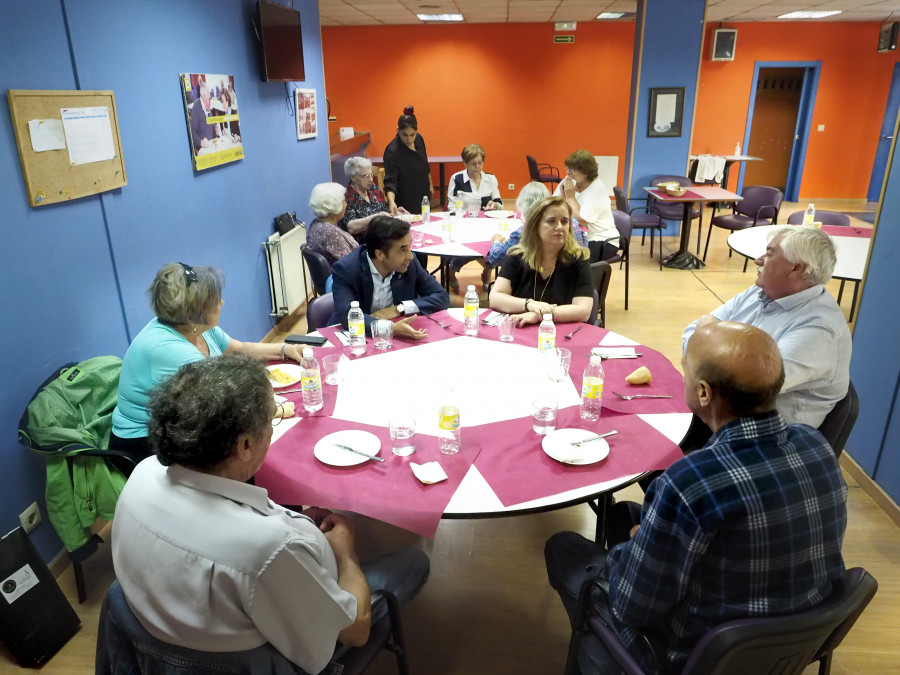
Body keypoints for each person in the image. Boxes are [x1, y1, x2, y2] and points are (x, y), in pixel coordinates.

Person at [545, 321, 847, 675]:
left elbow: (632, 606)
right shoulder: (816, 445)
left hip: (696, 657)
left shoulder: (689, 483)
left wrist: (629, 554)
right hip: (799, 637)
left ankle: (601, 655)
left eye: (684, 370)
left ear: (703, 393)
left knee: (564, 548)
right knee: (624, 515)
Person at [112, 354, 429, 675]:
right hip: (250, 662)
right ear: (246, 445)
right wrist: (346, 553)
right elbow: (355, 630)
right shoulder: (268, 547)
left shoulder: (141, 475)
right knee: (414, 564)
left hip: (158, 639)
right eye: (272, 420)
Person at [109, 263, 306, 458]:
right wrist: (274, 410)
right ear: (198, 309)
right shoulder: (172, 350)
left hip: (176, 424)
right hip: (144, 443)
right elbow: (224, 403)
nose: (222, 303)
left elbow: (242, 349)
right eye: (216, 299)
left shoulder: (195, 327)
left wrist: (285, 349)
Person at [683, 225, 851, 428]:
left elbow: (745, 389)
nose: (758, 260)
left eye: (769, 254)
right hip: (720, 415)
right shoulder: (760, 291)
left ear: (797, 268)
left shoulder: (819, 330)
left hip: (767, 441)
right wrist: (710, 357)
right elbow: (692, 331)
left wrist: (704, 347)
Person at [329, 215, 449, 339]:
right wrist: (389, 328)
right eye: (403, 250)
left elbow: (442, 297)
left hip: (397, 337)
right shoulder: (346, 269)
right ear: (380, 254)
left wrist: (399, 309)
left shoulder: (410, 264)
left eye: (409, 247)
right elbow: (348, 316)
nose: (410, 256)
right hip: (357, 338)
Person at [489, 195, 592, 326]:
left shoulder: (579, 258)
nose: (560, 227)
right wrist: (530, 304)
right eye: (551, 221)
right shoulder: (517, 256)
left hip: (559, 333)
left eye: (565, 221)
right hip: (520, 330)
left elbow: (583, 311)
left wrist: (539, 315)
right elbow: (495, 298)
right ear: (535, 226)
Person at [486, 182, 588, 267]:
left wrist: (496, 241)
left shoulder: (524, 232)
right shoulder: (574, 223)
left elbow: (495, 258)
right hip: (576, 276)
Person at [554, 150, 618, 261]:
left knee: (570, 259)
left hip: (601, 239)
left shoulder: (597, 189)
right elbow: (553, 204)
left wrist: (570, 197)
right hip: (578, 235)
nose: (568, 172)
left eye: (572, 169)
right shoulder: (570, 181)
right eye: (567, 168)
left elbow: (581, 220)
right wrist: (563, 197)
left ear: (585, 172)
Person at [383, 106, 433, 215]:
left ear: (417, 130)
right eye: (404, 135)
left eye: (412, 135)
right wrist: (391, 202)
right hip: (405, 199)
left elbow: (425, 164)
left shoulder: (419, 139)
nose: (409, 139)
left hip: (423, 195)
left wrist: (430, 184)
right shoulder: (392, 151)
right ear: (398, 130)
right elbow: (390, 182)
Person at [341, 156, 392, 241]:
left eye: (371, 175)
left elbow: (384, 209)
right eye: (365, 176)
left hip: (384, 237)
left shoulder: (374, 189)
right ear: (353, 177)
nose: (371, 179)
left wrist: (395, 212)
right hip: (364, 244)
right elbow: (351, 227)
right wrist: (376, 217)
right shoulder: (346, 197)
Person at [307, 182, 359, 267]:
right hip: (346, 278)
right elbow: (352, 266)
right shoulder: (331, 234)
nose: (346, 205)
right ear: (334, 206)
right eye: (344, 201)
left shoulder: (315, 225)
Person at [446, 143, 503, 211]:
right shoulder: (457, 179)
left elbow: (500, 204)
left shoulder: (490, 178)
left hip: (486, 219)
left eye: (480, 163)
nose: (477, 166)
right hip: (464, 219)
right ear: (465, 163)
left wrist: (495, 205)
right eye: (473, 163)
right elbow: (451, 207)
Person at [190, 82, 221, 153]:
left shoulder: (208, 108)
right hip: (202, 149)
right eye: (209, 99)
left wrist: (216, 132)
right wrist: (200, 142)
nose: (210, 102)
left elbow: (212, 131)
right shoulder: (196, 107)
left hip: (211, 146)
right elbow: (191, 132)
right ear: (203, 97)